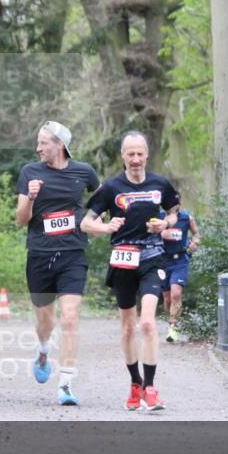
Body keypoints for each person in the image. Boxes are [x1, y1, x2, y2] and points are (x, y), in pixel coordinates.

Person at [81, 131, 180, 411]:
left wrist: (166, 224)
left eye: (140, 154)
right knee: (127, 329)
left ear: (147, 155)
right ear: (123, 156)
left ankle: (150, 388)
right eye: (130, 154)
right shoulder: (111, 187)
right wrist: (106, 227)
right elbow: (86, 224)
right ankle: (135, 383)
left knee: (147, 323)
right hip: (123, 260)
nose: (136, 159)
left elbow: (174, 212)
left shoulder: (160, 183)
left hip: (152, 258)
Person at [15, 121, 100, 406]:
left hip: (73, 253)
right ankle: (42, 350)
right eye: (38, 143)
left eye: (43, 143)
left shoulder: (84, 172)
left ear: (59, 145)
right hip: (39, 253)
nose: (38, 148)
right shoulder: (30, 172)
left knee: (71, 317)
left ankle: (65, 383)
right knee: (45, 321)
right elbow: (21, 220)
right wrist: (31, 197)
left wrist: (93, 222)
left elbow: (101, 202)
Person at [160, 209, 200, 343]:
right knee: (166, 298)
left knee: (176, 294)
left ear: (178, 204)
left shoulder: (187, 218)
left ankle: (173, 326)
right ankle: (171, 321)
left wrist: (195, 243)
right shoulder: (158, 217)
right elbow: (147, 233)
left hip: (180, 261)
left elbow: (196, 234)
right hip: (162, 261)